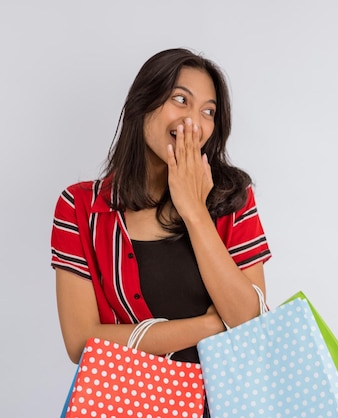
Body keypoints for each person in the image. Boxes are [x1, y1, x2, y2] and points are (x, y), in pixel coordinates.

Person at [50, 48, 272, 406]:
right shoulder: (80, 208)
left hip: (229, 407)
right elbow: (81, 342)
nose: (193, 121)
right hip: (127, 406)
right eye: (180, 100)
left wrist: (194, 210)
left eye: (208, 111)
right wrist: (209, 326)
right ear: (143, 103)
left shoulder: (233, 200)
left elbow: (251, 326)